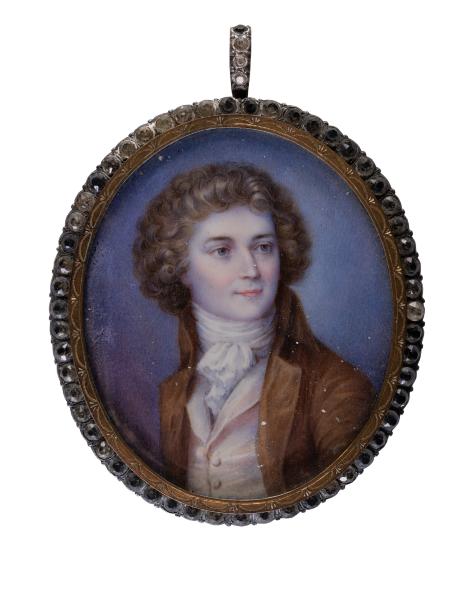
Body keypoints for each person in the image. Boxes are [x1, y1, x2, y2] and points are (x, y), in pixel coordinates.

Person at [133, 163, 375, 499]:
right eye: (222, 251)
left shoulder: (335, 386)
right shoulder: (174, 392)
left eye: (263, 247)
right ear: (180, 266)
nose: (251, 269)